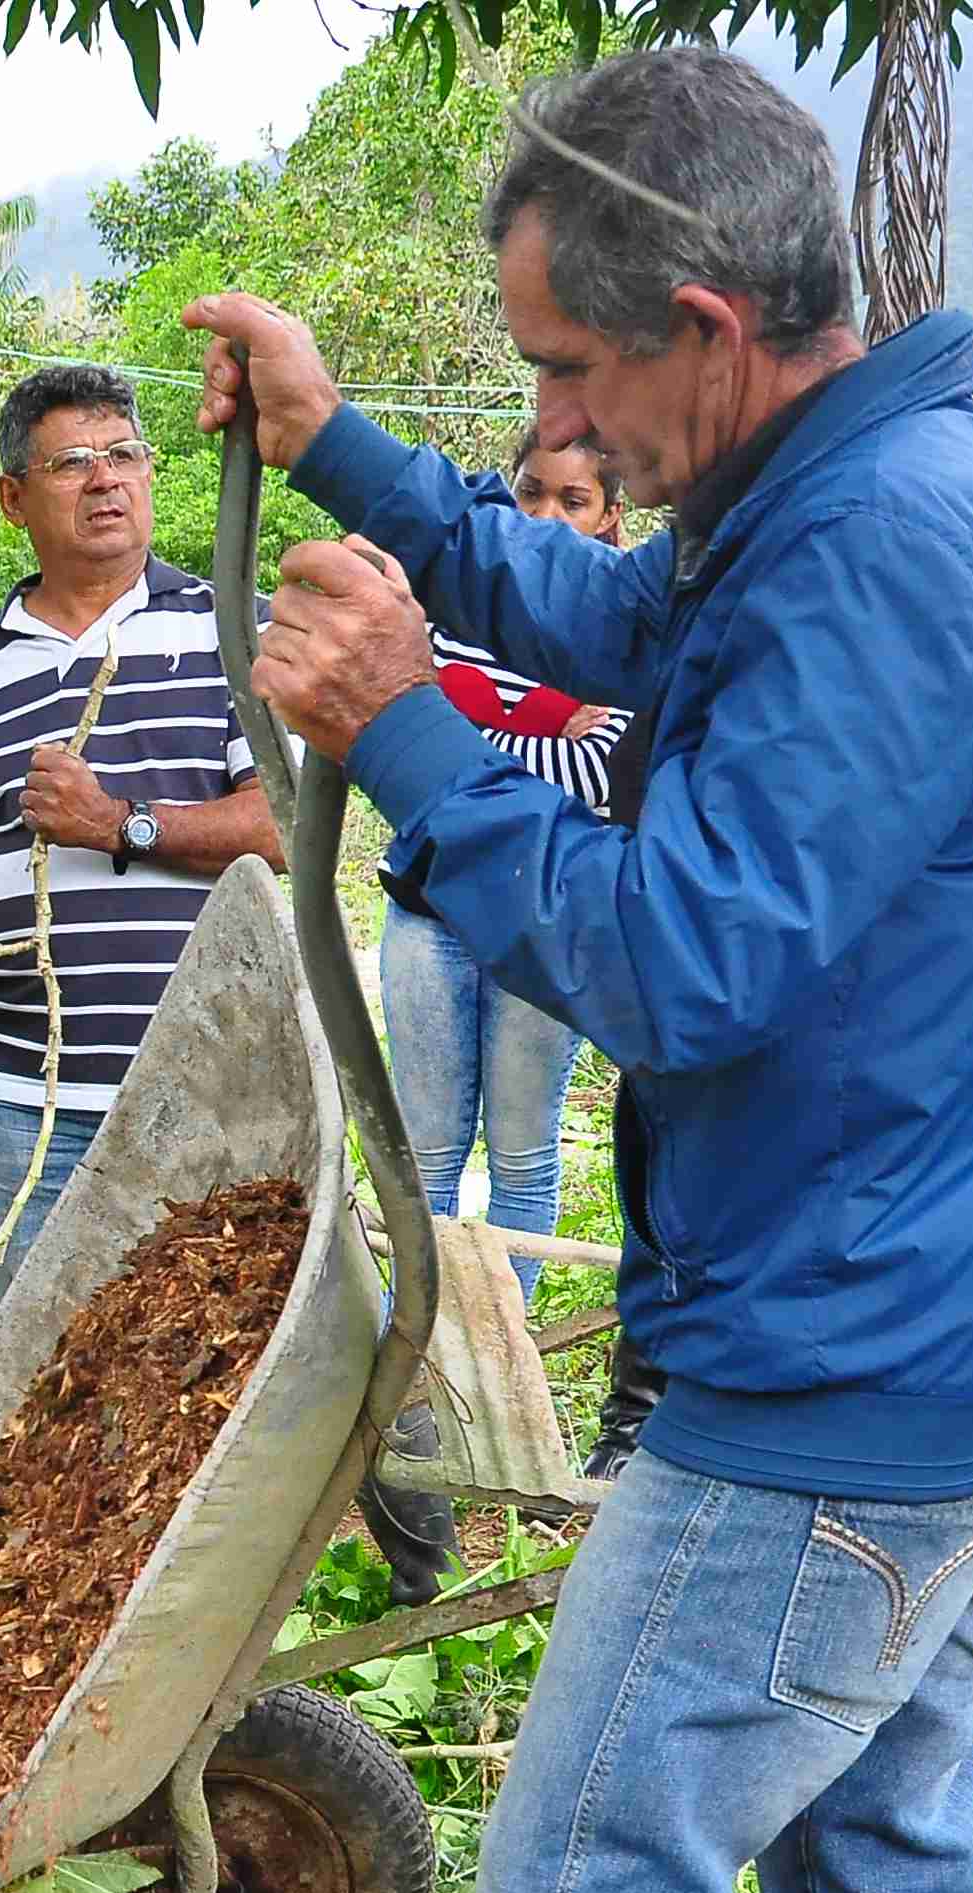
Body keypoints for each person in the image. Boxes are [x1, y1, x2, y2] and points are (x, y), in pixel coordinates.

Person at [192, 44, 973, 1893]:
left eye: (573, 376)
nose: (557, 421)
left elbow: (682, 952)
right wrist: (358, 461)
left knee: (583, 1874)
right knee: (864, 1879)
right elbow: (610, 624)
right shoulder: (836, 494)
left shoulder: (892, 547)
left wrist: (399, 733)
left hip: (846, 1367)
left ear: (708, 324)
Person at [0, 363, 285, 1365]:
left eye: (124, 455)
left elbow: (287, 828)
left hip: (206, 1077)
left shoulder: (235, 627)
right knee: (19, 1351)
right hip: (17, 1089)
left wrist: (118, 823)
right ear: (13, 497)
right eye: (72, 463)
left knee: (203, 1356)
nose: (107, 480)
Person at [382, 428, 632, 1309]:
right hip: (427, 912)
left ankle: (504, 1356)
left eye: (575, 500)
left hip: (549, 924)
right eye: (531, 494)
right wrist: (535, 740)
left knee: (524, 1152)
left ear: (611, 519)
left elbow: (605, 773)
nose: (548, 516)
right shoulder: (454, 607)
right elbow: (398, 750)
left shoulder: (624, 629)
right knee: (423, 1156)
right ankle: (411, 1359)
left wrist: (457, 747)